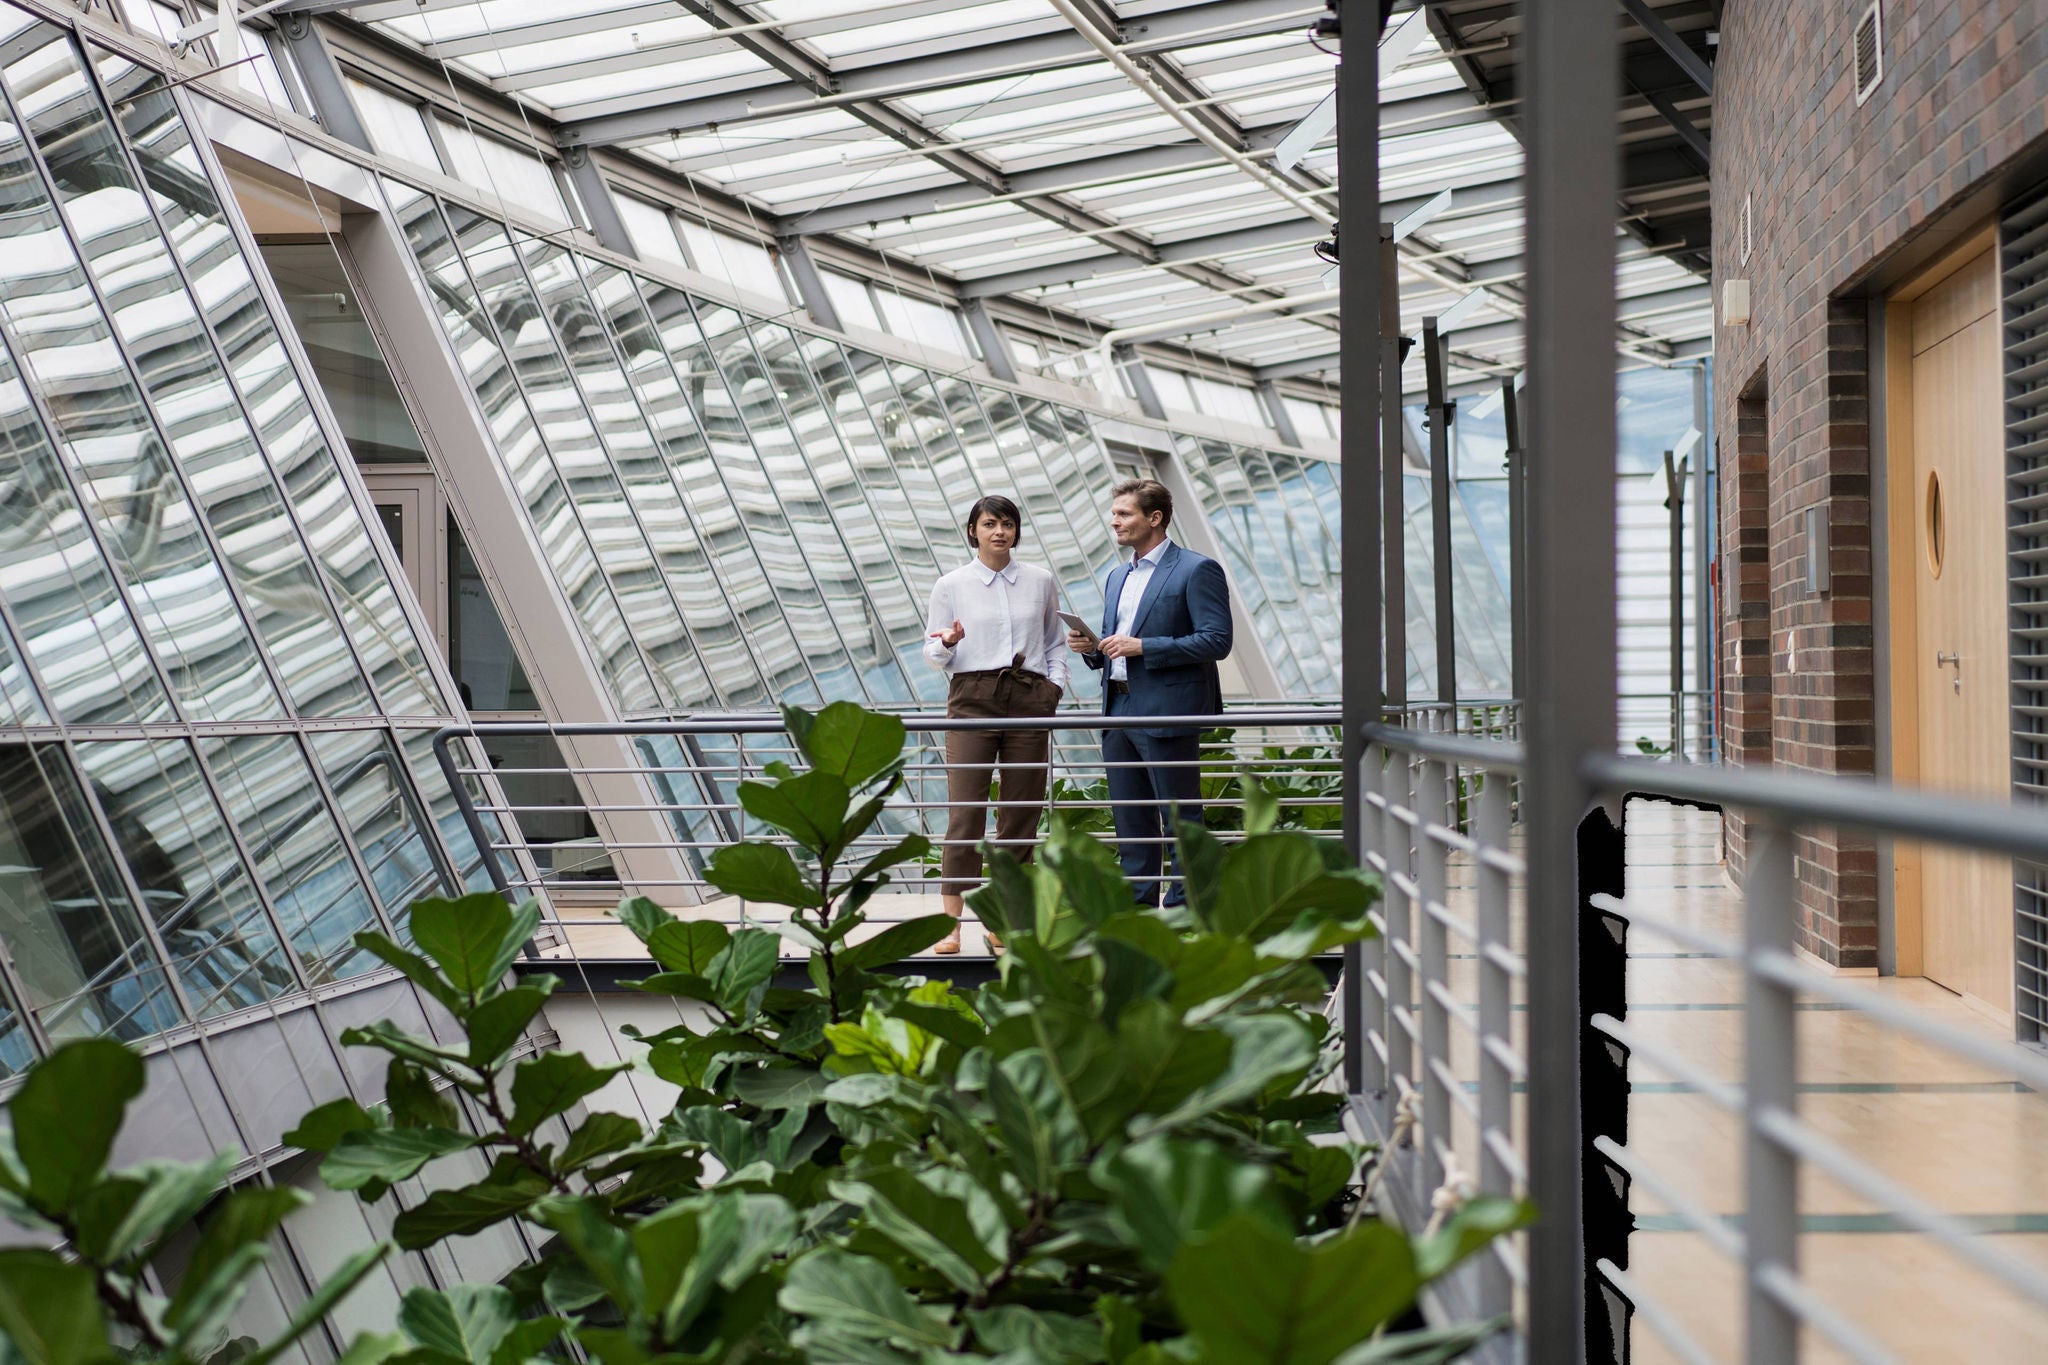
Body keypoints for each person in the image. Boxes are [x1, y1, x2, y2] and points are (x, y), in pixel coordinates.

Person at [1068, 478, 1232, 906]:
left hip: (1168, 710)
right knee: (1130, 819)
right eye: (1115, 513)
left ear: (1154, 518)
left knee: (1180, 818)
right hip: (1118, 708)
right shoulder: (1116, 576)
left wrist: (1145, 647)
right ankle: (1137, 910)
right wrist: (1092, 649)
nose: (1114, 521)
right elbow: (1117, 642)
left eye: (1124, 514)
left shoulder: (1197, 569)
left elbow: (1217, 640)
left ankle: (1184, 910)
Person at [923, 494, 1067, 953]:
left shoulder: (1040, 580)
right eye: (989, 524)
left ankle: (1002, 921)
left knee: (1019, 816)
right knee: (965, 813)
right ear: (973, 531)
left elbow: (1054, 641)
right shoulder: (951, 584)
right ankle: (951, 926)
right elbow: (932, 654)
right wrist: (946, 642)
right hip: (972, 699)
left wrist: (1054, 688)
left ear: (1016, 531)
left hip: (1028, 696)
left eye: (1007, 524)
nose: (999, 532)